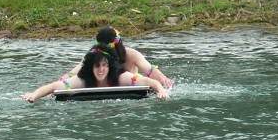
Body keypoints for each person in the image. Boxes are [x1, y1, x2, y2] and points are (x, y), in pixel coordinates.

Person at [21, 44, 170, 102]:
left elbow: (150, 82)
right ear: (91, 68)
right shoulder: (84, 80)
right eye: (97, 66)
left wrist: (161, 90)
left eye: (104, 66)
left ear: (109, 67)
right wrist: (33, 95)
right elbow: (54, 86)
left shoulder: (121, 77)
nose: (101, 70)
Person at [64, 26, 173, 88]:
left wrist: (163, 79)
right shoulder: (94, 56)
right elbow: (73, 73)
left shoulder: (131, 54)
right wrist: (60, 83)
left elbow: (149, 70)